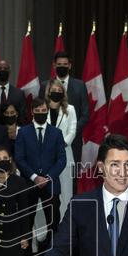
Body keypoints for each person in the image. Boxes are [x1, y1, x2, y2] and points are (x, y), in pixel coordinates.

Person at [15, 98, 67, 249]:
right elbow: (19, 158)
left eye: (43, 111)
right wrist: (34, 177)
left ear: (48, 111)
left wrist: (47, 178)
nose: (40, 114)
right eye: (37, 111)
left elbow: (61, 160)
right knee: (26, 221)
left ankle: (52, 254)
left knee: (53, 221)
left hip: (50, 185)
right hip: (29, 184)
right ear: (32, 112)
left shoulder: (56, 133)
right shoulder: (23, 132)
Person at [40, 51, 89, 157]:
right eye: (59, 65)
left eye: (65, 65)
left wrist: (70, 132)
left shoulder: (80, 85)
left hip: (73, 140)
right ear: (54, 66)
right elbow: (40, 110)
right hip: (47, 140)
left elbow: (85, 114)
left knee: (72, 172)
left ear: (70, 66)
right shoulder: (45, 85)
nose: (62, 67)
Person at [45, 78, 78, 215]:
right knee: (46, 194)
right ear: (48, 92)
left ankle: (66, 226)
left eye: (59, 91)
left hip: (64, 155)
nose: (57, 93)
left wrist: (59, 145)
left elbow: (72, 131)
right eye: (54, 91)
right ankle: (44, 231)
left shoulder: (70, 109)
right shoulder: (42, 108)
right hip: (45, 157)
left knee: (66, 193)